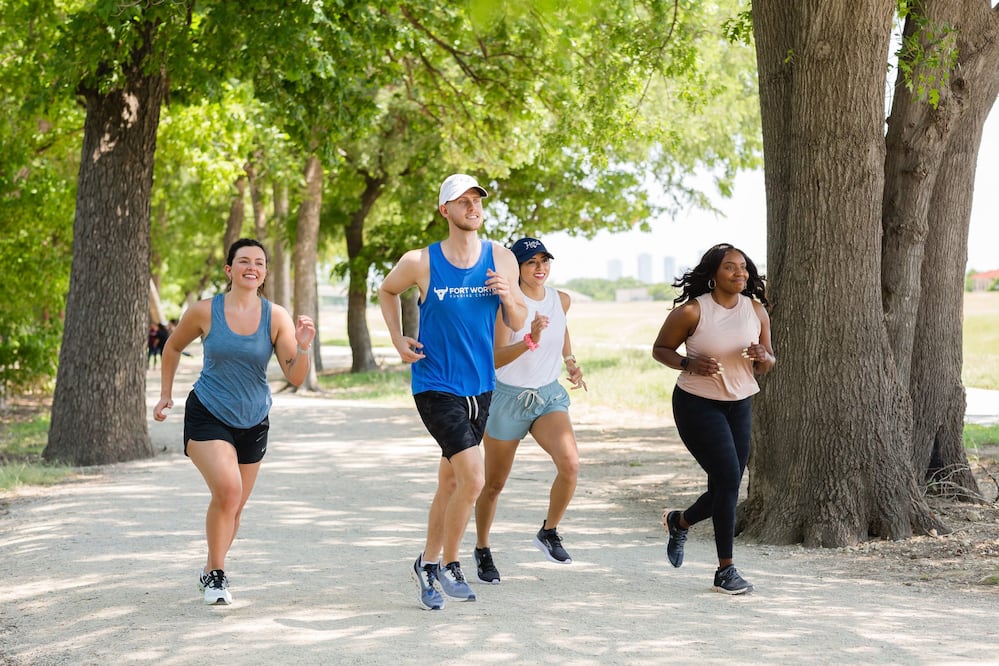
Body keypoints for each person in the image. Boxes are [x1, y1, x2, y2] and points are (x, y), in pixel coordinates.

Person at [379, 173, 527, 611]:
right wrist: (397, 337)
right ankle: (451, 563)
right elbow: (387, 291)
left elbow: (517, 321)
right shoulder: (420, 262)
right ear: (445, 210)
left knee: (450, 482)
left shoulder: (501, 258)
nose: (473, 207)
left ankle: (425, 565)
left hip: (481, 386)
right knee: (474, 478)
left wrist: (508, 296)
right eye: (462, 201)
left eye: (477, 200)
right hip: (435, 385)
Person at [153, 238, 316, 605]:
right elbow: (173, 346)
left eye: (259, 262)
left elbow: (294, 376)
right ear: (230, 270)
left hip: (254, 418)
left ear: (265, 273)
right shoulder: (204, 311)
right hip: (208, 411)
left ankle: (212, 567)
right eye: (243, 261)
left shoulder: (276, 317)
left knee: (235, 505)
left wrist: (303, 346)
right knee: (228, 491)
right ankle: (216, 574)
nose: (251, 267)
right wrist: (166, 393)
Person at [651, 242, 775, 595]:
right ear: (713, 274)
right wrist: (689, 363)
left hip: (739, 403)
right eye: (730, 267)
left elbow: (768, 363)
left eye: (743, 268)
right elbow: (660, 350)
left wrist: (763, 356)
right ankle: (726, 570)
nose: (740, 273)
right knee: (727, 477)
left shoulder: (755, 310)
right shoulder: (692, 311)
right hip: (696, 403)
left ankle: (680, 521)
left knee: (727, 483)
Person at [473, 237, 586, 584]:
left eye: (544, 261)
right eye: (531, 263)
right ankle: (482, 549)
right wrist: (530, 339)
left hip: (548, 396)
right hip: (507, 399)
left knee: (570, 465)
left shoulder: (560, 299)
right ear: (517, 269)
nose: (540, 268)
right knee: (493, 484)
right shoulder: (507, 305)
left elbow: (562, 329)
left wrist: (570, 361)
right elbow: (494, 358)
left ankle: (549, 531)